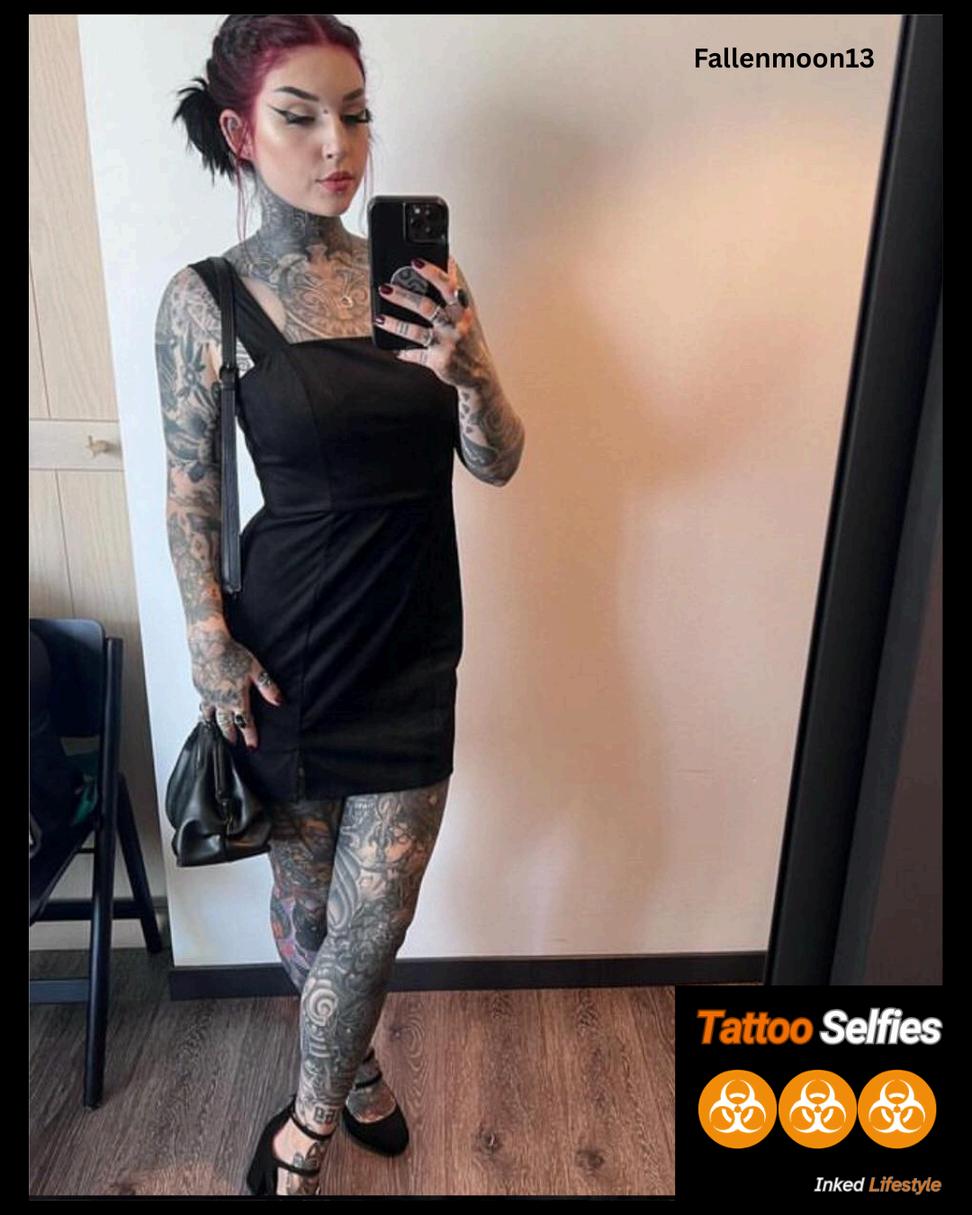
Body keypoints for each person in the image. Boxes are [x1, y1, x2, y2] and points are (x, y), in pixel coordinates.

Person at [158, 14, 525, 1197]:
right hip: (288, 654)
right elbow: (189, 488)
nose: (338, 145)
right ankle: (358, 1074)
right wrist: (211, 645)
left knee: (375, 921)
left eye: (355, 115)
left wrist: (472, 370)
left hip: (413, 644)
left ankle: (304, 1135)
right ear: (239, 133)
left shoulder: (423, 285)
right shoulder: (205, 299)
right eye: (301, 115)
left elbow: (498, 462)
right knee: (310, 914)